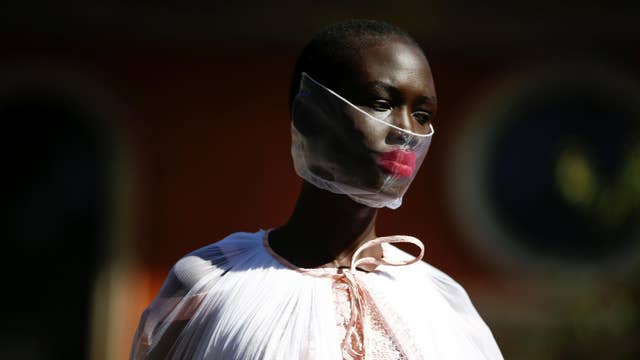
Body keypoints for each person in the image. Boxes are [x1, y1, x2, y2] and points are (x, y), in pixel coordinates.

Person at [130, 19, 504, 360]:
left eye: (422, 115)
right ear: (309, 114)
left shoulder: (443, 303)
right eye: (381, 104)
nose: (404, 132)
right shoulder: (211, 284)